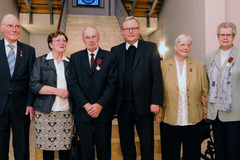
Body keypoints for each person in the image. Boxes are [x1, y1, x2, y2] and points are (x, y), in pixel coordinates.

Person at [110, 16, 163, 160]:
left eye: (133, 28)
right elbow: (112, 79)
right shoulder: (115, 50)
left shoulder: (150, 47)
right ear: (122, 31)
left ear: (139, 30)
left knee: (146, 142)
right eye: (127, 29)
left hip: (145, 104)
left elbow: (157, 76)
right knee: (126, 142)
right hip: (122, 105)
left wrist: (156, 101)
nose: (131, 31)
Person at [155, 34, 209, 160]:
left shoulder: (197, 65)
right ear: (175, 47)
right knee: (170, 154)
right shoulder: (164, 66)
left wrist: (205, 110)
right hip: (170, 118)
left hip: (193, 117)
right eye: (182, 44)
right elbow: (159, 91)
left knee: (192, 154)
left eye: (188, 45)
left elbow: (205, 90)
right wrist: (159, 113)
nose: (186, 47)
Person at [67, 27, 118, 160]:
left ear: (99, 37)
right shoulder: (75, 57)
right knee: (85, 150)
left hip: (103, 111)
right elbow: (72, 84)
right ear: (83, 39)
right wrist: (86, 104)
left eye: (93, 36)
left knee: (104, 149)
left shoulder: (110, 57)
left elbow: (112, 84)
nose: (91, 40)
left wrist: (100, 104)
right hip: (83, 112)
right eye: (88, 37)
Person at [30, 30, 73, 160]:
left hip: (65, 111)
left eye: (64, 41)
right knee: (47, 149)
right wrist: (57, 91)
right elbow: (34, 85)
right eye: (58, 40)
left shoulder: (70, 63)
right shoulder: (41, 61)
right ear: (50, 44)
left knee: (65, 148)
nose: (62, 43)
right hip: (45, 111)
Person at [0, 14, 36, 160]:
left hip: (21, 106)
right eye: (10, 26)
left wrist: (30, 103)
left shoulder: (28, 51)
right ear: (2, 28)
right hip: (0, 104)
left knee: (21, 145)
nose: (14, 29)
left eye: (17, 26)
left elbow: (32, 81)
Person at [204, 22, 240, 160]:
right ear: (218, 36)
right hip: (216, 113)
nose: (225, 37)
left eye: (228, 35)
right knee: (219, 149)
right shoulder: (209, 57)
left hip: (235, 113)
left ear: (234, 36)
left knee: (234, 150)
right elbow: (205, 82)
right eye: (222, 34)